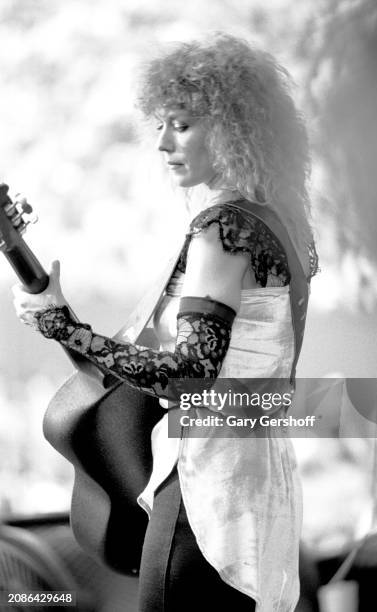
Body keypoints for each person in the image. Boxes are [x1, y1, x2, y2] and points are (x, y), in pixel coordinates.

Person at [12, 32, 318, 612]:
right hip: (263, 482)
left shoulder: (220, 231)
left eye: (181, 124)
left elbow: (188, 377)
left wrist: (60, 326)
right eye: (160, 123)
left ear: (233, 126)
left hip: (208, 494)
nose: (162, 143)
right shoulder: (281, 223)